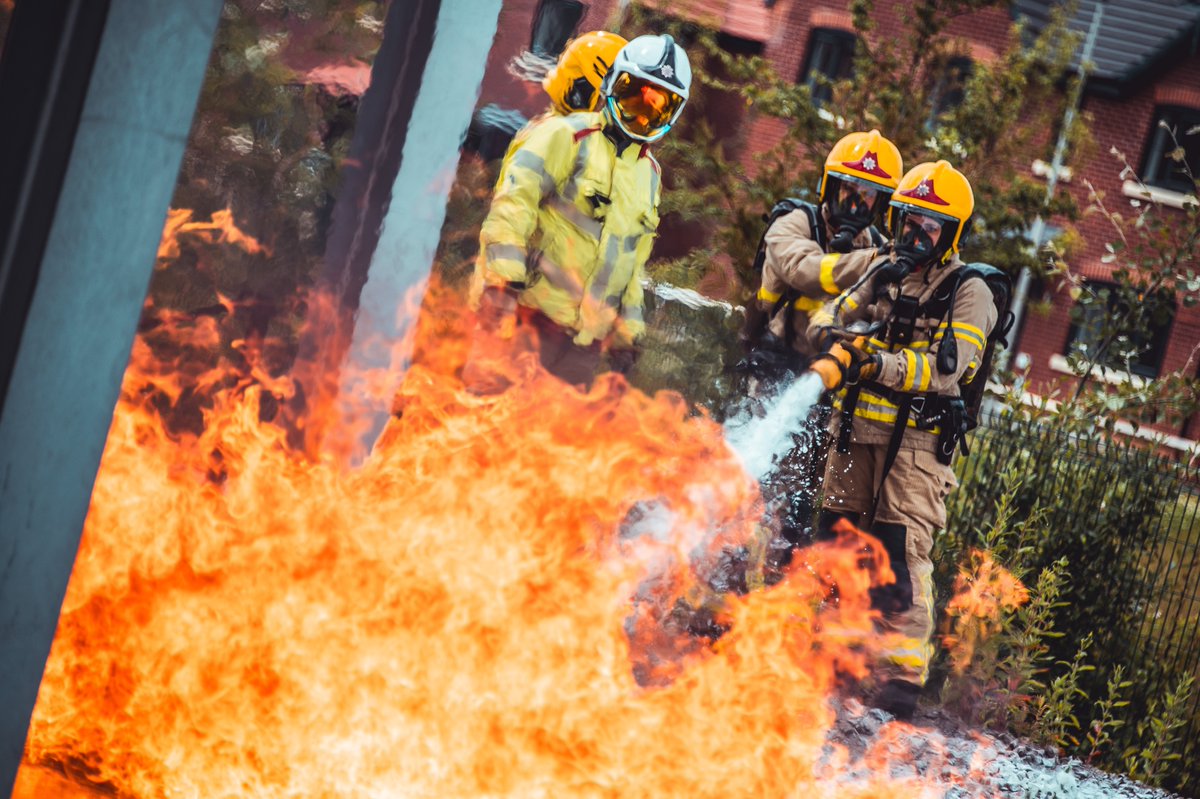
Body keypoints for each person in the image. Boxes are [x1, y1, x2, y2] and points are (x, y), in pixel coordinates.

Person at [807, 160, 998, 720]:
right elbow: (828, 316)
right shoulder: (887, 270)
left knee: (899, 556)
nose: (915, 233)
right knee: (838, 543)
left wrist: (878, 364)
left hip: (917, 448)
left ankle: (900, 680)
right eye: (908, 219)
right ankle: (836, 657)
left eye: (929, 225)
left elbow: (947, 371)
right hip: (855, 434)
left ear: (952, 233)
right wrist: (845, 340)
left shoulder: (970, 291)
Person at [463, 34, 691, 393]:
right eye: (633, 95)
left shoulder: (650, 176)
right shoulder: (566, 136)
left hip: (582, 349)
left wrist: (627, 336)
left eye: (655, 107)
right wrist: (501, 285)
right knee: (480, 429)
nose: (640, 113)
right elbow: (512, 207)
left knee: (551, 448)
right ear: (613, 84)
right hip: (522, 320)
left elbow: (630, 264)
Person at [740, 131, 903, 563]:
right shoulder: (794, 222)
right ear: (829, 187)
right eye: (850, 190)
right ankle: (724, 576)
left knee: (796, 502)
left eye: (869, 196)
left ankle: (769, 592)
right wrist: (874, 264)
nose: (856, 204)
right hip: (775, 370)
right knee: (754, 484)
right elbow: (804, 270)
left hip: (829, 385)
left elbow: (885, 316)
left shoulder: (875, 251)